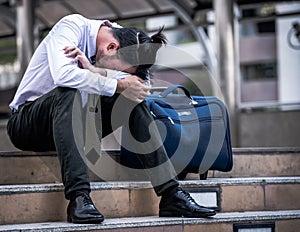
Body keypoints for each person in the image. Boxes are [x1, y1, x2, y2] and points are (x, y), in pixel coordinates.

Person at [7, 14, 216, 224]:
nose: (114, 73)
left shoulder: (124, 38)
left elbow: (141, 87)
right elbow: (63, 75)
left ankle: (171, 194)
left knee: (131, 99)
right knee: (68, 90)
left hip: (79, 126)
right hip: (28, 123)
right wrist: (116, 83)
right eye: (116, 69)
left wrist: (95, 70)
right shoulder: (71, 28)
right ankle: (79, 198)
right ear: (111, 48)